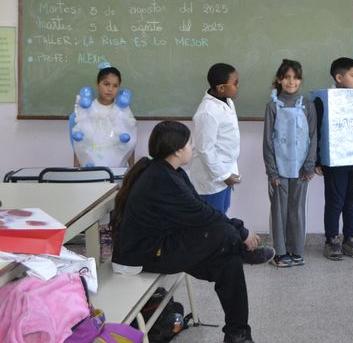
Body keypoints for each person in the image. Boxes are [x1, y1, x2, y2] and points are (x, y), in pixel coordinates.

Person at [110, 121, 275, 343]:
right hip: (142, 255)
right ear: (177, 150)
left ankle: (238, 334)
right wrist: (242, 233)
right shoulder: (160, 178)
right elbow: (203, 215)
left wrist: (236, 230)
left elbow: (201, 209)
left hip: (165, 243)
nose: (193, 147)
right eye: (189, 143)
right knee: (222, 235)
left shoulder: (172, 172)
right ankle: (243, 250)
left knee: (229, 261)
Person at [263, 59, 317, 268]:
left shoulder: (307, 104)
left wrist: (309, 166)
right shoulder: (272, 105)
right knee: (279, 211)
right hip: (279, 170)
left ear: (300, 81)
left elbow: (313, 137)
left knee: (297, 210)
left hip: (302, 169)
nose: (291, 81)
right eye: (286, 77)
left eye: (295, 78)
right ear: (279, 79)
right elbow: (268, 141)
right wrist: (272, 172)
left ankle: (297, 250)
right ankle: (280, 252)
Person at [314, 57, 353, 261]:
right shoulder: (324, 100)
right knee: (335, 201)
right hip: (335, 162)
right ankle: (331, 240)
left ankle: (349, 239)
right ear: (339, 77)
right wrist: (318, 160)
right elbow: (318, 131)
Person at [189, 63, 242, 214]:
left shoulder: (227, 102)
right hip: (211, 181)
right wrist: (224, 175)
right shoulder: (207, 113)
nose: (238, 86)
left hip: (224, 174)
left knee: (222, 214)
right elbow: (205, 149)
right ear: (221, 88)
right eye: (235, 83)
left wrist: (228, 174)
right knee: (211, 221)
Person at [71, 64, 136, 168]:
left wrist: (132, 168)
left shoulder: (123, 110)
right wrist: (75, 168)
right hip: (91, 171)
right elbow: (79, 143)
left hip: (117, 172)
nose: (110, 89)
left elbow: (130, 141)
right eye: (106, 84)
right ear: (97, 84)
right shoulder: (88, 109)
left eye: (115, 86)